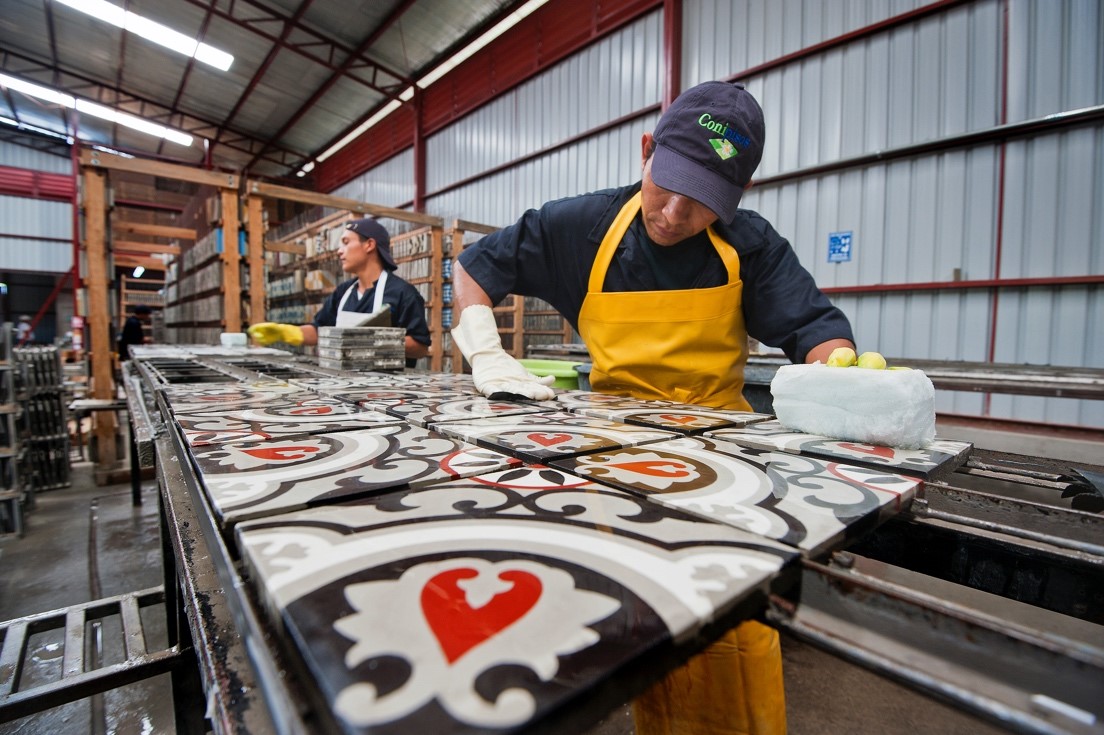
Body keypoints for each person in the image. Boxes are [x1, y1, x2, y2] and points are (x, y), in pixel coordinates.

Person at [450, 81, 856, 735]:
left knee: (736, 629)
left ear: (737, 197)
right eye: (663, 185)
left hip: (720, 465)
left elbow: (815, 332)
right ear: (646, 149)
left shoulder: (750, 245)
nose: (672, 212)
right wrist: (487, 353)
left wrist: (842, 373)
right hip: (614, 459)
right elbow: (473, 267)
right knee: (645, 625)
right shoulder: (580, 229)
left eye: (701, 202)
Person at [248, 217, 431, 368]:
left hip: (387, 390)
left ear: (369, 245)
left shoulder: (403, 293)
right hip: (342, 383)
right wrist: (287, 332)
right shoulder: (343, 292)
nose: (339, 251)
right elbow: (319, 330)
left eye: (345, 242)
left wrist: (374, 341)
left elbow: (421, 347)